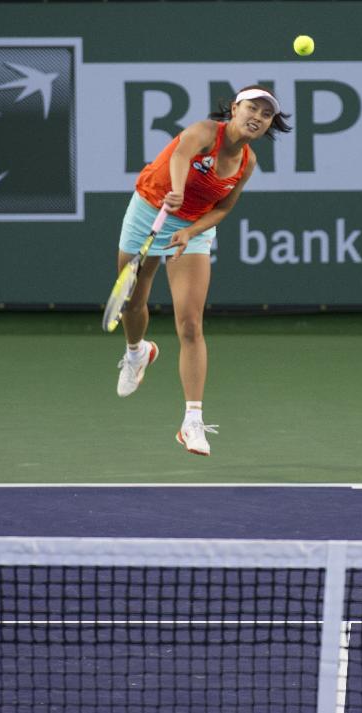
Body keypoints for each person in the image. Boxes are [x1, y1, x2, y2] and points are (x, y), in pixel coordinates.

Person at [113, 86, 292, 456]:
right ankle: (137, 352)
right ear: (234, 109)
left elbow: (224, 208)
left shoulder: (248, 162)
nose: (257, 117)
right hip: (150, 209)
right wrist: (176, 191)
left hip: (192, 229)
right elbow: (180, 155)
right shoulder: (204, 132)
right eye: (251, 108)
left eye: (266, 114)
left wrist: (190, 231)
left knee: (191, 324)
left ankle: (191, 421)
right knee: (133, 300)